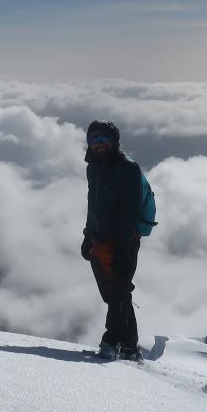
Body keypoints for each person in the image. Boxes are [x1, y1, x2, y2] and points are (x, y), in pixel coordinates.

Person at [80, 120, 143, 361]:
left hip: (122, 242)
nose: (99, 144)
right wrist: (87, 236)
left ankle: (111, 342)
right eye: (94, 140)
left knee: (118, 291)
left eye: (104, 139)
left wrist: (124, 247)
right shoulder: (93, 168)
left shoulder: (127, 168)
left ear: (114, 141)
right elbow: (92, 205)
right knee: (114, 294)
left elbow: (130, 211)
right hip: (99, 241)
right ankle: (130, 347)